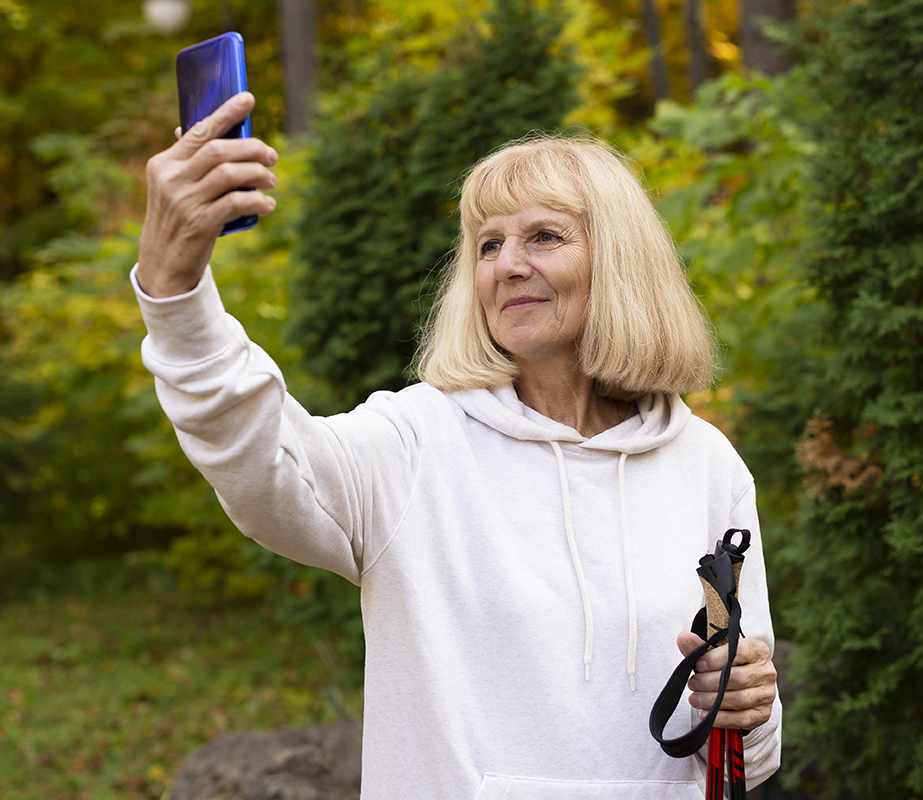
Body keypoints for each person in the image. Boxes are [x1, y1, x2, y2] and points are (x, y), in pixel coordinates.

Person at [134, 92, 780, 799]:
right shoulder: (415, 443)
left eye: (544, 237)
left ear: (621, 262)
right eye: (488, 244)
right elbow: (261, 463)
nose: (506, 265)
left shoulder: (707, 464)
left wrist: (749, 708)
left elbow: (744, 747)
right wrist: (178, 295)